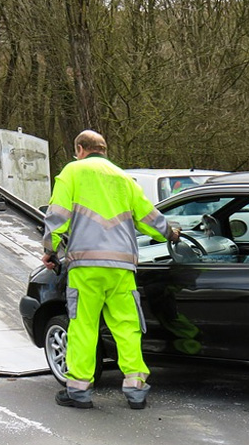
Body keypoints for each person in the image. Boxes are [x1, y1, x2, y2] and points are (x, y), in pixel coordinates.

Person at [41, 130, 179, 410]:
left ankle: (79, 390)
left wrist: (50, 249)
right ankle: (135, 388)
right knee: (127, 327)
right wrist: (171, 233)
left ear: (80, 148)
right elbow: (149, 216)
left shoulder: (73, 171)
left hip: (86, 266)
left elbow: (58, 215)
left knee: (84, 327)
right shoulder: (123, 178)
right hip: (122, 267)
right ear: (103, 149)